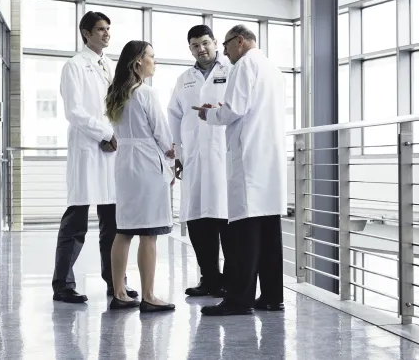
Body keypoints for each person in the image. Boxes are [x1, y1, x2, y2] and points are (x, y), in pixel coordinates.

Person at [191, 25, 287, 316]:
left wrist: (208, 113)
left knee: (244, 236)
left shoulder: (244, 64)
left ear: (240, 41)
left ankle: (239, 299)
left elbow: (234, 111)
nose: (226, 52)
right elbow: (251, 108)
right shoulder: (272, 68)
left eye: (228, 45)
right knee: (270, 234)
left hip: (249, 159)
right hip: (268, 158)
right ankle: (271, 297)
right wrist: (225, 107)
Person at [53, 11, 138, 304]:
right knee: (76, 222)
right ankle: (62, 285)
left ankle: (116, 283)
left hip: (110, 151)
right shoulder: (74, 66)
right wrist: (104, 134)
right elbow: (74, 111)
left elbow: (116, 104)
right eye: (100, 29)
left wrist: (114, 135)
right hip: (88, 149)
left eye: (108, 29)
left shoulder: (108, 65)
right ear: (86, 33)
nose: (106, 34)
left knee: (112, 224)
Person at [105, 40, 177, 312]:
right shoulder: (146, 93)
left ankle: (120, 293)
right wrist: (172, 155)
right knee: (149, 233)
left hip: (125, 164)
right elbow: (162, 134)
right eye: (151, 57)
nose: (154, 62)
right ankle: (148, 295)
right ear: (138, 61)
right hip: (147, 164)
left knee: (123, 230)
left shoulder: (115, 93)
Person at [166, 25, 231, 298]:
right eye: (195, 45)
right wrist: (177, 154)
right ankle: (209, 278)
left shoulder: (231, 71)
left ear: (215, 42)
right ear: (190, 49)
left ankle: (231, 280)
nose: (201, 49)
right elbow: (173, 116)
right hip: (193, 158)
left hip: (225, 156)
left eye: (205, 43)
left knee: (226, 220)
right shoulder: (185, 79)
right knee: (197, 220)